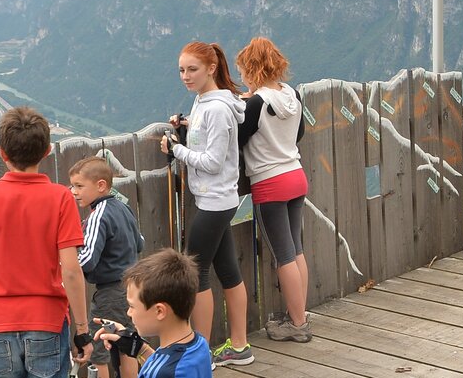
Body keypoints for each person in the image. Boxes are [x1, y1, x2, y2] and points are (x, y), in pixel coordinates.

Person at [0, 107, 94, 378]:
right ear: (47, 151)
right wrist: (82, 330)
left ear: (2, 154)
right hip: (46, 319)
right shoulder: (60, 198)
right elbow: (71, 270)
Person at [158, 41, 253, 368]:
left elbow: (212, 161)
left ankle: (200, 356)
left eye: (192, 69)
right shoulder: (206, 101)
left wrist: (175, 150)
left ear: (211, 68)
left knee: (196, 275)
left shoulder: (214, 107)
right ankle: (239, 347)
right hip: (220, 200)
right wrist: (186, 127)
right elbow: (210, 139)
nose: (185, 76)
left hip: (214, 201)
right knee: (228, 271)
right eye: (182, 70)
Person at [234, 37, 312, 342]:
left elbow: (238, 139)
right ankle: (300, 314)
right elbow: (299, 132)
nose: (240, 76)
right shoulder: (293, 94)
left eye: (242, 70)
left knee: (283, 256)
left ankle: (297, 324)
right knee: (297, 249)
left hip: (270, 182)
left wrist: (246, 104)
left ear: (251, 69)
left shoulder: (256, 103)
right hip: (296, 174)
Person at [71, 153, 144, 378]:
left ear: (101, 186)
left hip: (110, 293)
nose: (74, 192)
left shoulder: (97, 215)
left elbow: (88, 259)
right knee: (127, 345)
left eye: (79, 186)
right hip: (131, 287)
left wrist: (67, 261)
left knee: (100, 347)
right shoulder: (123, 208)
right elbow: (139, 243)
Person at [92, 248, 211, 378]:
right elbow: (167, 364)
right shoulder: (199, 345)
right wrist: (138, 348)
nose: (128, 313)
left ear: (159, 311)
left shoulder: (162, 373)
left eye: (132, 306)